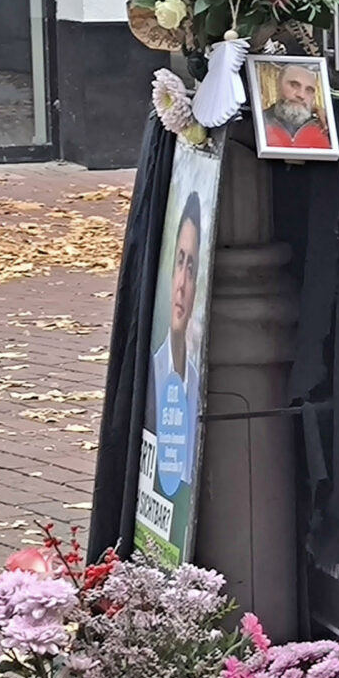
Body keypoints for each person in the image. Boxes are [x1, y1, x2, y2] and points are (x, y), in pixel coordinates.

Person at [150, 194, 204, 504]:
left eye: (192, 269)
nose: (182, 283)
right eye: (179, 262)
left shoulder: (198, 382)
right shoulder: (151, 373)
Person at [260, 63, 333, 153]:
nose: (301, 95)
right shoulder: (257, 124)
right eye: (294, 85)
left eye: (309, 90)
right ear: (278, 85)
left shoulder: (326, 128)